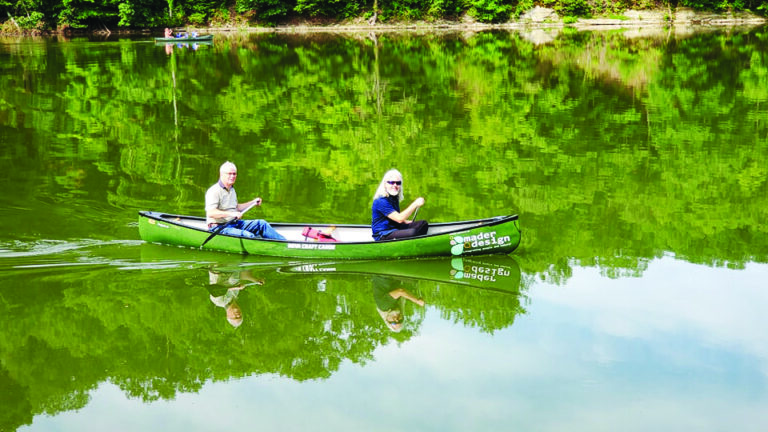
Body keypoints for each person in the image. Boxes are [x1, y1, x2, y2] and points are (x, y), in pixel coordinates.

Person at [205, 161, 286, 240]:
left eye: (234, 174)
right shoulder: (214, 191)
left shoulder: (231, 189)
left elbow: (237, 207)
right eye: (229, 173)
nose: (232, 176)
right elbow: (211, 213)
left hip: (234, 223)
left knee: (262, 224)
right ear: (221, 174)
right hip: (218, 227)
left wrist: (253, 202)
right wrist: (231, 214)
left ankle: (284, 243)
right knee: (248, 235)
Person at [371, 168, 428, 241]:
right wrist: (415, 204)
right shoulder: (381, 201)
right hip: (383, 234)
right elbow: (399, 218)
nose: (395, 185)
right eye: (392, 182)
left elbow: (394, 216)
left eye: (398, 183)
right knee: (412, 232)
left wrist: (406, 222)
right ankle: (413, 246)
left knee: (423, 224)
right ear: (385, 184)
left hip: (395, 228)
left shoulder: (394, 197)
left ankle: (416, 244)